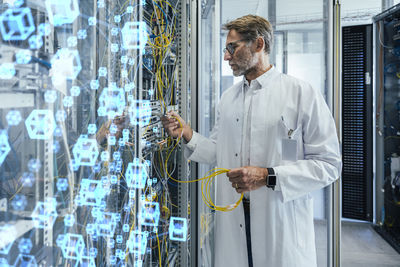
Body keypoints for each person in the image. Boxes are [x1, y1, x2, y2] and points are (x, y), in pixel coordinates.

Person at [162, 14, 341, 267]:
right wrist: (187, 134)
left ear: (259, 45)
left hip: (279, 222)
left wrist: (267, 176)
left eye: (232, 48)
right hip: (232, 220)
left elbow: (329, 164)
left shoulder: (301, 93)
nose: (226, 56)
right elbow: (218, 152)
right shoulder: (228, 98)